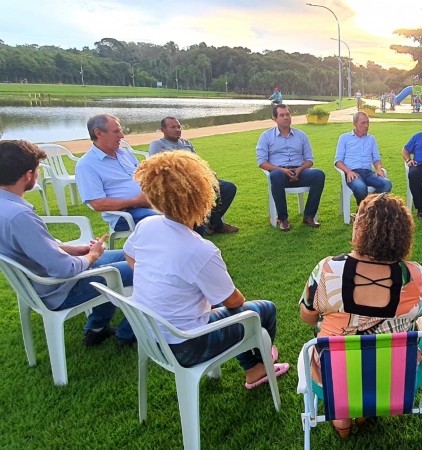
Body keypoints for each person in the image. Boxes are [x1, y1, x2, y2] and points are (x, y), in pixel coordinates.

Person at [123, 151, 290, 389]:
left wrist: (163, 282)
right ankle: (258, 366)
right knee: (262, 310)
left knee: (218, 307)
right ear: (201, 195)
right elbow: (233, 301)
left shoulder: (147, 225)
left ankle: (253, 366)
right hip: (187, 346)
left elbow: (129, 254)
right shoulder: (198, 249)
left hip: (151, 336)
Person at [299, 193, 422, 437]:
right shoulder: (415, 275)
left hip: (334, 375)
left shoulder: (328, 269)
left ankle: (343, 418)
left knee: (336, 353)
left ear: (360, 227)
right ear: (403, 233)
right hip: (396, 377)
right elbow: (419, 311)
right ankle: (368, 407)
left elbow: (307, 317)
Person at [0, 140, 134, 346]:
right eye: (37, 170)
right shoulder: (19, 215)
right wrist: (91, 256)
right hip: (58, 289)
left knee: (126, 254)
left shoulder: (7, 206)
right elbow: (65, 268)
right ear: (28, 175)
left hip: (41, 280)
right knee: (143, 267)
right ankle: (128, 333)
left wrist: (75, 249)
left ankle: (97, 328)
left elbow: (34, 246)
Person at [149, 117, 239, 234]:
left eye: (179, 126)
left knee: (228, 188)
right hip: (177, 185)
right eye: (173, 127)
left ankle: (213, 222)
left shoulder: (186, 143)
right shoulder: (158, 145)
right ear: (163, 130)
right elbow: (155, 168)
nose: (177, 130)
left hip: (199, 180)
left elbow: (198, 162)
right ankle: (202, 226)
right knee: (192, 194)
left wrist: (208, 172)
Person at [75, 114, 159, 232]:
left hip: (150, 203)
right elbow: (98, 204)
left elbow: (144, 178)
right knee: (166, 222)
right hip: (124, 215)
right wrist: (136, 201)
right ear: (98, 133)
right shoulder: (86, 165)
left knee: (189, 212)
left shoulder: (125, 154)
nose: (122, 136)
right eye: (116, 132)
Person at [257, 104, 325, 231]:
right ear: (274, 118)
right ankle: (283, 219)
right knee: (275, 175)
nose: (286, 117)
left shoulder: (301, 135)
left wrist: (299, 170)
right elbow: (262, 162)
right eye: (282, 115)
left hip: (300, 171)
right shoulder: (266, 136)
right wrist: (282, 170)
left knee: (319, 174)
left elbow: (310, 160)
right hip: (280, 172)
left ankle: (309, 216)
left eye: (288, 114)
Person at [334, 112, 392, 205]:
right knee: (361, 187)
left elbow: (376, 158)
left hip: (368, 173)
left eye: (368, 123)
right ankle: (367, 210)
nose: (366, 126)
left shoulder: (371, 138)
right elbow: (338, 161)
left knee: (387, 184)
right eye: (363, 123)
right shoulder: (344, 138)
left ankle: (366, 208)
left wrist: (378, 168)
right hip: (353, 173)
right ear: (355, 123)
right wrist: (348, 171)